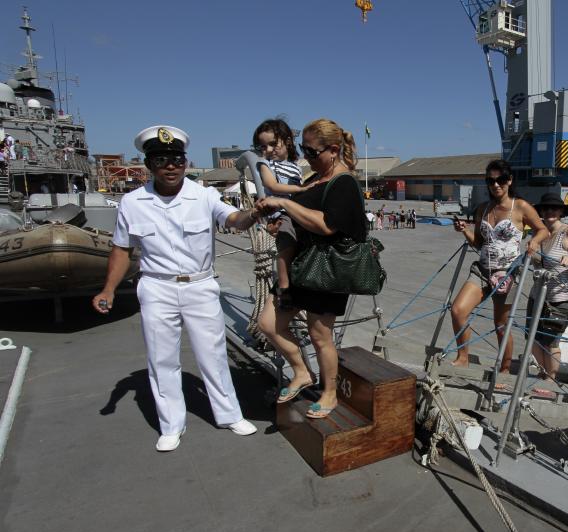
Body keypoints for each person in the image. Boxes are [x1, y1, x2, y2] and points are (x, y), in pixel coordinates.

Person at [92, 125, 260, 452]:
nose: (170, 166)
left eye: (176, 159)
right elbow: (122, 250)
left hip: (200, 285)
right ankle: (171, 425)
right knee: (161, 359)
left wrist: (253, 214)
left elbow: (234, 219)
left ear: (185, 163)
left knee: (213, 355)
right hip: (157, 288)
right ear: (149, 165)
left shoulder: (204, 196)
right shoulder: (132, 202)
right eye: (161, 160)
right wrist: (108, 289)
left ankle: (229, 415)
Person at [255, 119, 367, 417]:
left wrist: (286, 204)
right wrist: (282, 220)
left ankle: (330, 393)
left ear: (332, 150)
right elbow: (305, 217)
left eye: (312, 151)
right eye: (303, 149)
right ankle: (302, 372)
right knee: (268, 324)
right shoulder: (313, 178)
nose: (306, 156)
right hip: (301, 266)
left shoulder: (343, 183)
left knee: (320, 336)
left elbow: (327, 225)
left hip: (326, 270)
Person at [450, 160, 548, 373]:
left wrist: (533, 241)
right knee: (457, 310)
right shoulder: (483, 209)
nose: (496, 185)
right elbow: (478, 243)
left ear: (509, 180)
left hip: (508, 274)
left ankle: (504, 370)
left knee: (501, 326)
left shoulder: (520, 207)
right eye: (490, 180)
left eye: (501, 180)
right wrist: (465, 230)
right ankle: (463, 357)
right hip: (482, 270)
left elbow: (543, 230)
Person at [526, 192, 568, 382]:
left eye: (554, 208)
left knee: (552, 340)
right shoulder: (539, 234)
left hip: (560, 297)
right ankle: (543, 372)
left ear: (561, 212)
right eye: (545, 208)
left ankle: (550, 378)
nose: (549, 212)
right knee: (532, 336)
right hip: (537, 294)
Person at [252, 118, 304, 309]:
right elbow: (271, 185)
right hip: (281, 212)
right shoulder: (265, 164)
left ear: (287, 141)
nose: (268, 150)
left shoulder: (296, 166)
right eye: (263, 146)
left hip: (296, 210)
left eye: (273, 144)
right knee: (286, 244)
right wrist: (301, 190)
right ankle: (284, 287)